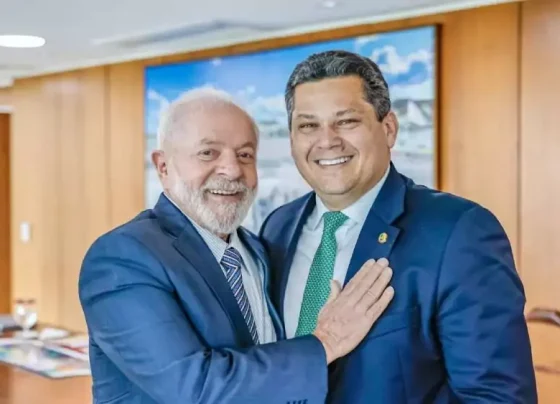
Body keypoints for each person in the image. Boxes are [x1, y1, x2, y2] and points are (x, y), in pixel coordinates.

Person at [78, 87, 395, 404]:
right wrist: (326, 341)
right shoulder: (122, 258)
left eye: (245, 155)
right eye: (208, 153)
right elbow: (194, 388)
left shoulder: (258, 250)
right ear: (163, 166)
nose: (232, 170)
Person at [259, 50, 538, 403]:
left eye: (346, 121)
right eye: (308, 125)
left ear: (388, 128)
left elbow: (498, 397)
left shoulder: (459, 232)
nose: (326, 140)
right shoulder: (277, 227)